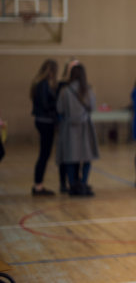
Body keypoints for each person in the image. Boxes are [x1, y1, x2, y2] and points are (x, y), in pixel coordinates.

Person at [56, 64, 99, 196]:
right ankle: (84, 183)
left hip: (69, 127)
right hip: (85, 126)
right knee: (86, 157)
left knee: (70, 157)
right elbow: (92, 107)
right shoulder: (88, 90)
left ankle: (73, 185)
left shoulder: (65, 91)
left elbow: (60, 109)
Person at [30, 59, 59, 196]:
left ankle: (38, 184)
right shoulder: (43, 85)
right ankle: (38, 185)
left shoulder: (41, 84)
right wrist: (57, 104)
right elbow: (45, 104)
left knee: (44, 154)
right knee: (44, 154)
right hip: (45, 121)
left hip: (44, 120)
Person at [56, 57, 79, 192]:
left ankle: (75, 181)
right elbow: (59, 107)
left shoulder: (81, 85)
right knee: (64, 155)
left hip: (78, 125)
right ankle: (63, 183)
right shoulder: (62, 86)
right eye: (72, 66)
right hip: (65, 124)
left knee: (77, 154)